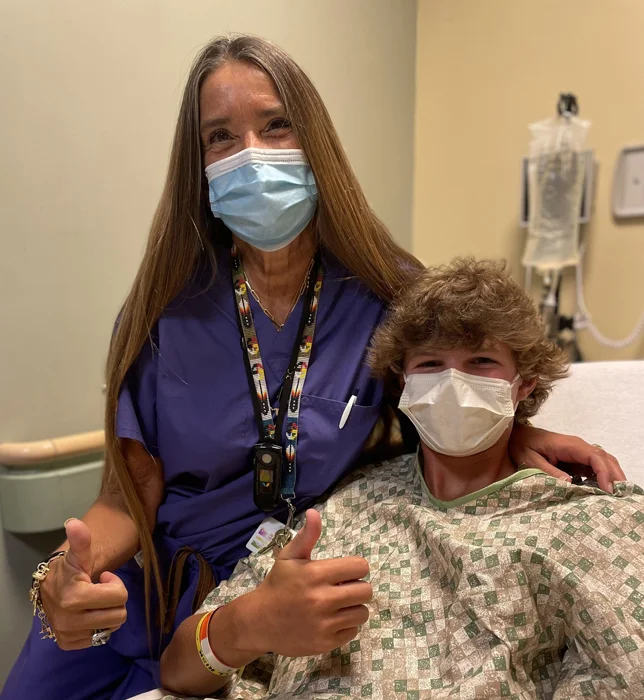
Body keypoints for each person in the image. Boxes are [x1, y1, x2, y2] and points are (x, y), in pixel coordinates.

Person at [3, 35, 623, 700]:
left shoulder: (389, 292)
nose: (251, 154)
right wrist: (68, 575)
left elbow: (444, 392)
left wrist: (518, 433)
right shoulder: (162, 311)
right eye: (220, 137)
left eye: (276, 125)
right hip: (154, 595)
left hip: (292, 584)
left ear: (316, 141)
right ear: (199, 164)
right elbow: (126, 499)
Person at [160, 259, 644, 699]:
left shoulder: (588, 526)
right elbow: (177, 670)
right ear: (403, 386)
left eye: (481, 362)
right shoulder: (345, 508)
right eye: (431, 364)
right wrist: (245, 626)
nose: (453, 383)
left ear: (524, 386)